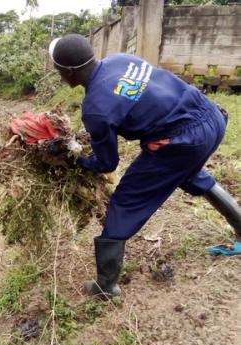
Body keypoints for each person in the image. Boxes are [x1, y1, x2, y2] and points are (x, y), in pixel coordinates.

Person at [47, 34, 241, 297]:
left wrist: (76, 161)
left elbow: (107, 163)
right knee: (188, 172)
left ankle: (106, 286)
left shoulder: (95, 108)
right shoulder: (120, 59)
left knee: (126, 200)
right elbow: (130, 99)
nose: (59, 75)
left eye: (58, 70)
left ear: (69, 71)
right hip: (210, 116)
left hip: (183, 138)